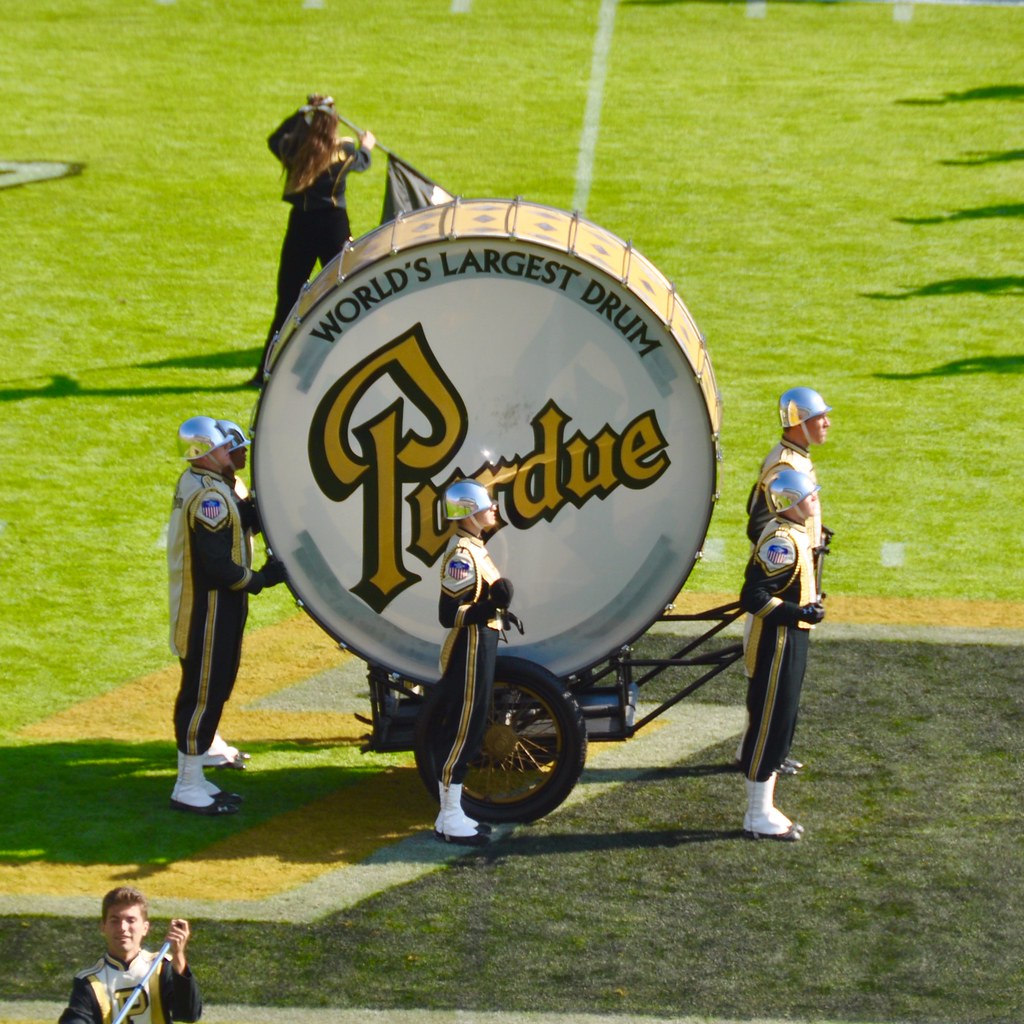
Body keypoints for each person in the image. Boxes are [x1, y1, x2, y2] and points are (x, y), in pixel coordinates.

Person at [167, 416, 287, 814]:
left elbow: (237, 525)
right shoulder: (211, 498)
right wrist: (261, 579)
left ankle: (196, 777)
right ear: (202, 453)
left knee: (214, 688)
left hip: (216, 605)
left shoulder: (210, 486)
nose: (228, 453)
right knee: (202, 694)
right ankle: (186, 784)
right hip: (210, 608)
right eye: (220, 448)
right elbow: (217, 566)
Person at [248, 93, 376, 387]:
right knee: (344, 293)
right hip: (334, 226)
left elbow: (274, 138)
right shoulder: (344, 148)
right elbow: (363, 162)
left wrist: (300, 113)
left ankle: (265, 373)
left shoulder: (295, 148)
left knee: (288, 302)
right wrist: (366, 144)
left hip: (301, 227)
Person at [743, 385, 832, 775]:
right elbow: (763, 523)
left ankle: (770, 753)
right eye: (819, 418)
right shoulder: (784, 466)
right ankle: (757, 753)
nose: (827, 423)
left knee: (780, 683)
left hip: (794, 577)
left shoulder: (797, 459)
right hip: (781, 584)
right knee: (769, 679)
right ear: (799, 422)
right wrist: (792, 561)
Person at [430, 480, 521, 846]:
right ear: (468, 510)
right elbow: (447, 614)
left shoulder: (476, 548)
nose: (495, 508)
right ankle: (449, 815)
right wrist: (488, 607)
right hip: (469, 645)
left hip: (481, 641)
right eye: (488, 504)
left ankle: (453, 812)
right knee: (463, 729)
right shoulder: (462, 556)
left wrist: (496, 608)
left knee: (473, 722)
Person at [738, 469, 825, 842]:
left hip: (791, 638)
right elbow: (754, 597)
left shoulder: (793, 534)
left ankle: (765, 807)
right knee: (771, 725)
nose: (816, 500)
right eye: (810, 495)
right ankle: (756, 814)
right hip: (778, 642)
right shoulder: (782, 542)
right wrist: (798, 613)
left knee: (782, 722)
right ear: (790, 500)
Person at [59, 886, 201, 1024]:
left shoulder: (161, 966)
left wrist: (178, 955)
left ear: (145, 928)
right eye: (115, 920)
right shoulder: (89, 981)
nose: (122, 928)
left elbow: (188, 1014)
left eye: (131, 920)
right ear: (103, 926)